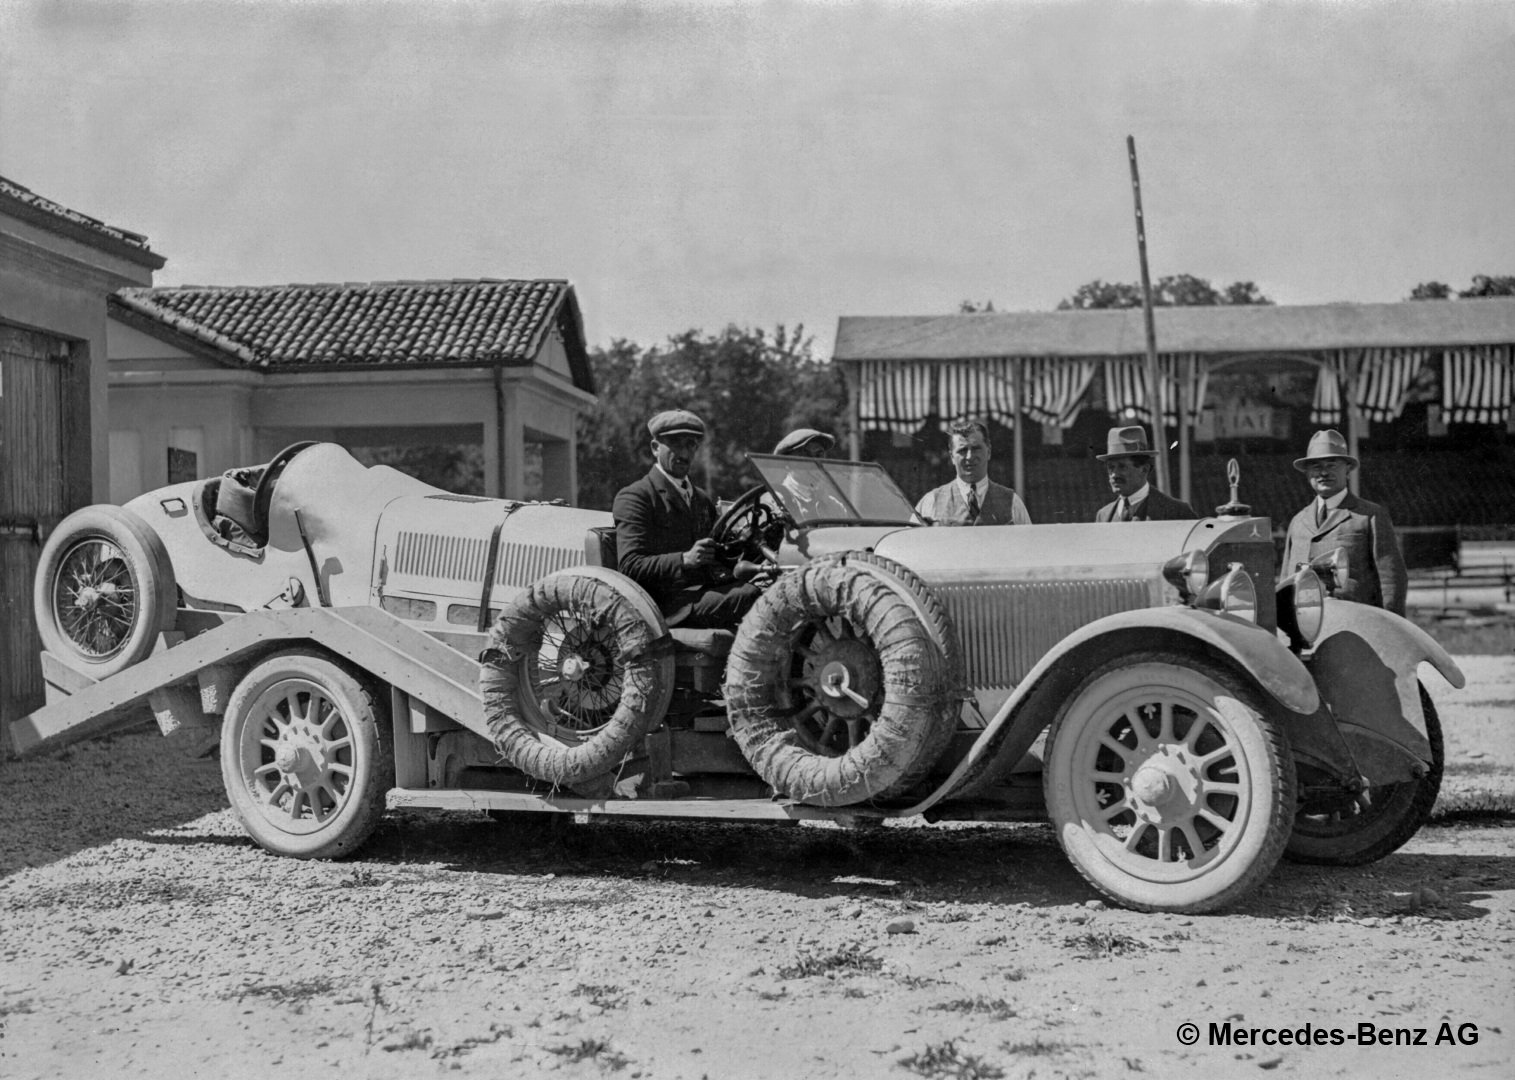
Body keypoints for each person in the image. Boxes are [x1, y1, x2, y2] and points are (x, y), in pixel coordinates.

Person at [613, 409, 765, 629]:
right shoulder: (636, 497)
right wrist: (684, 559)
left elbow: (721, 550)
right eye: (675, 444)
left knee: (772, 586)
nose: (684, 453)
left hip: (702, 592)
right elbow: (630, 566)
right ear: (655, 448)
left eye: (691, 444)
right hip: (664, 607)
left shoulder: (700, 499)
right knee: (754, 595)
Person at [1279, 429, 1407, 616]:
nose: (1324, 472)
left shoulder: (1369, 516)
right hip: (1304, 623)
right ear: (1307, 473)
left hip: (1353, 622)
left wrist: (1389, 625)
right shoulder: (1298, 521)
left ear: (1347, 469)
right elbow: (1285, 580)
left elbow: (1391, 582)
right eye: (1316, 466)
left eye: (1332, 465)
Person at [914, 418, 1031, 526]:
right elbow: (910, 539)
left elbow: (1029, 540)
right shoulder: (931, 502)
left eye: (976, 449)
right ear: (952, 457)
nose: (969, 456)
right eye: (962, 450)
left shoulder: (1012, 502)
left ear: (988, 452)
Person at [1093, 426, 1197, 522]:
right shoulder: (1103, 516)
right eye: (1111, 467)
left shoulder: (1177, 512)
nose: (1114, 475)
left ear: (1144, 469)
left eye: (1122, 466)